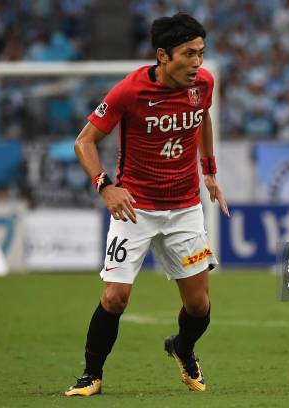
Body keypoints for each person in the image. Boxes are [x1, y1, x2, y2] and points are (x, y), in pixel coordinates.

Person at [64, 13, 229, 397]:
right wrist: (106, 186)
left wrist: (210, 173)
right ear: (163, 55)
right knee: (115, 297)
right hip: (134, 208)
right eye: (189, 54)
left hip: (185, 208)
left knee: (200, 306)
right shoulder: (129, 91)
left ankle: (182, 347)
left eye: (201, 53)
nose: (198, 63)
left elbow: (202, 118)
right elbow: (83, 141)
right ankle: (92, 375)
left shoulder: (203, 83)